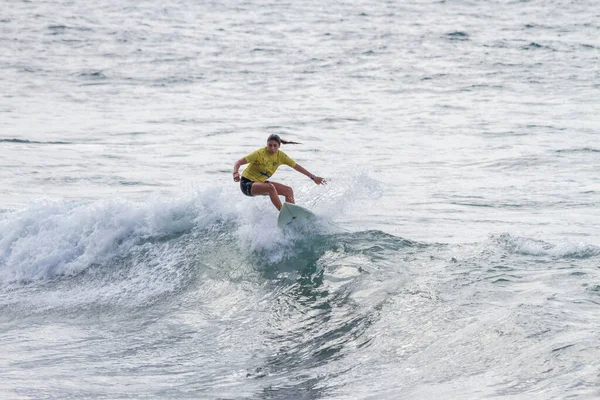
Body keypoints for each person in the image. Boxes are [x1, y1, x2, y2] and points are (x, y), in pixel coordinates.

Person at [233, 134, 326, 211]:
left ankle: (292, 214)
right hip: (246, 184)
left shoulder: (281, 156)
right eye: (270, 145)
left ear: (279, 146)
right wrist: (235, 173)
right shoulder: (259, 154)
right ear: (267, 145)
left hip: (260, 183)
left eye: (275, 146)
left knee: (288, 191)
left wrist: (313, 177)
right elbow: (238, 162)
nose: (272, 148)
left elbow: (297, 166)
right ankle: (285, 214)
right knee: (270, 187)